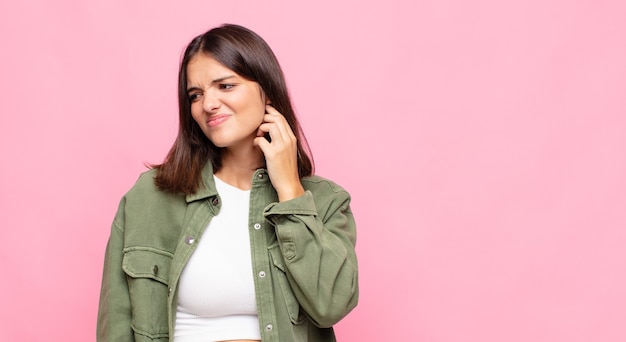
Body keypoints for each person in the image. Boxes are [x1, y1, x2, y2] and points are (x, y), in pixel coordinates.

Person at [97, 24, 358, 342]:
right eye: (196, 95)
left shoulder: (325, 201)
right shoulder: (149, 198)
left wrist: (290, 190)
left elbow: (331, 305)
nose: (208, 104)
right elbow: (116, 327)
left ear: (267, 90)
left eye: (225, 85)